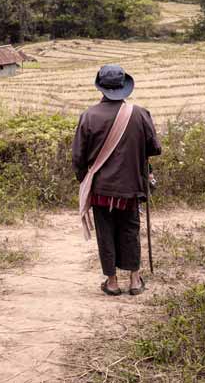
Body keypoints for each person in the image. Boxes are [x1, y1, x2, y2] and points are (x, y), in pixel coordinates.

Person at [72, 64, 161, 296]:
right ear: (124, 87)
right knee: (130, 229)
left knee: (106, 232)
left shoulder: (88, 116)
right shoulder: (141, 114)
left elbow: (79, 157)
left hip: (101, 188)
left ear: (101, 88)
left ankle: (111, 282)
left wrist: (85, 181)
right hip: (131, 187)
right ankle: (134, 280)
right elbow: (154, 148)